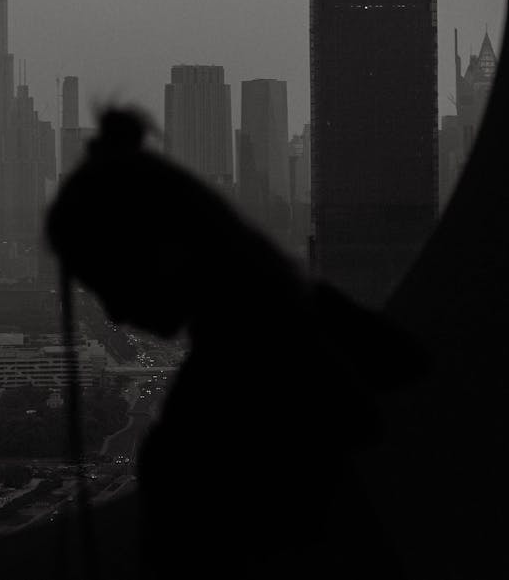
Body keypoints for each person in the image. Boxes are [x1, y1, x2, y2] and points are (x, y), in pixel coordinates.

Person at [46, 106, 430, 578]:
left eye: (110, 281)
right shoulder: (314, 319)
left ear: (164, 250)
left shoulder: (221, 397)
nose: (117, 312)